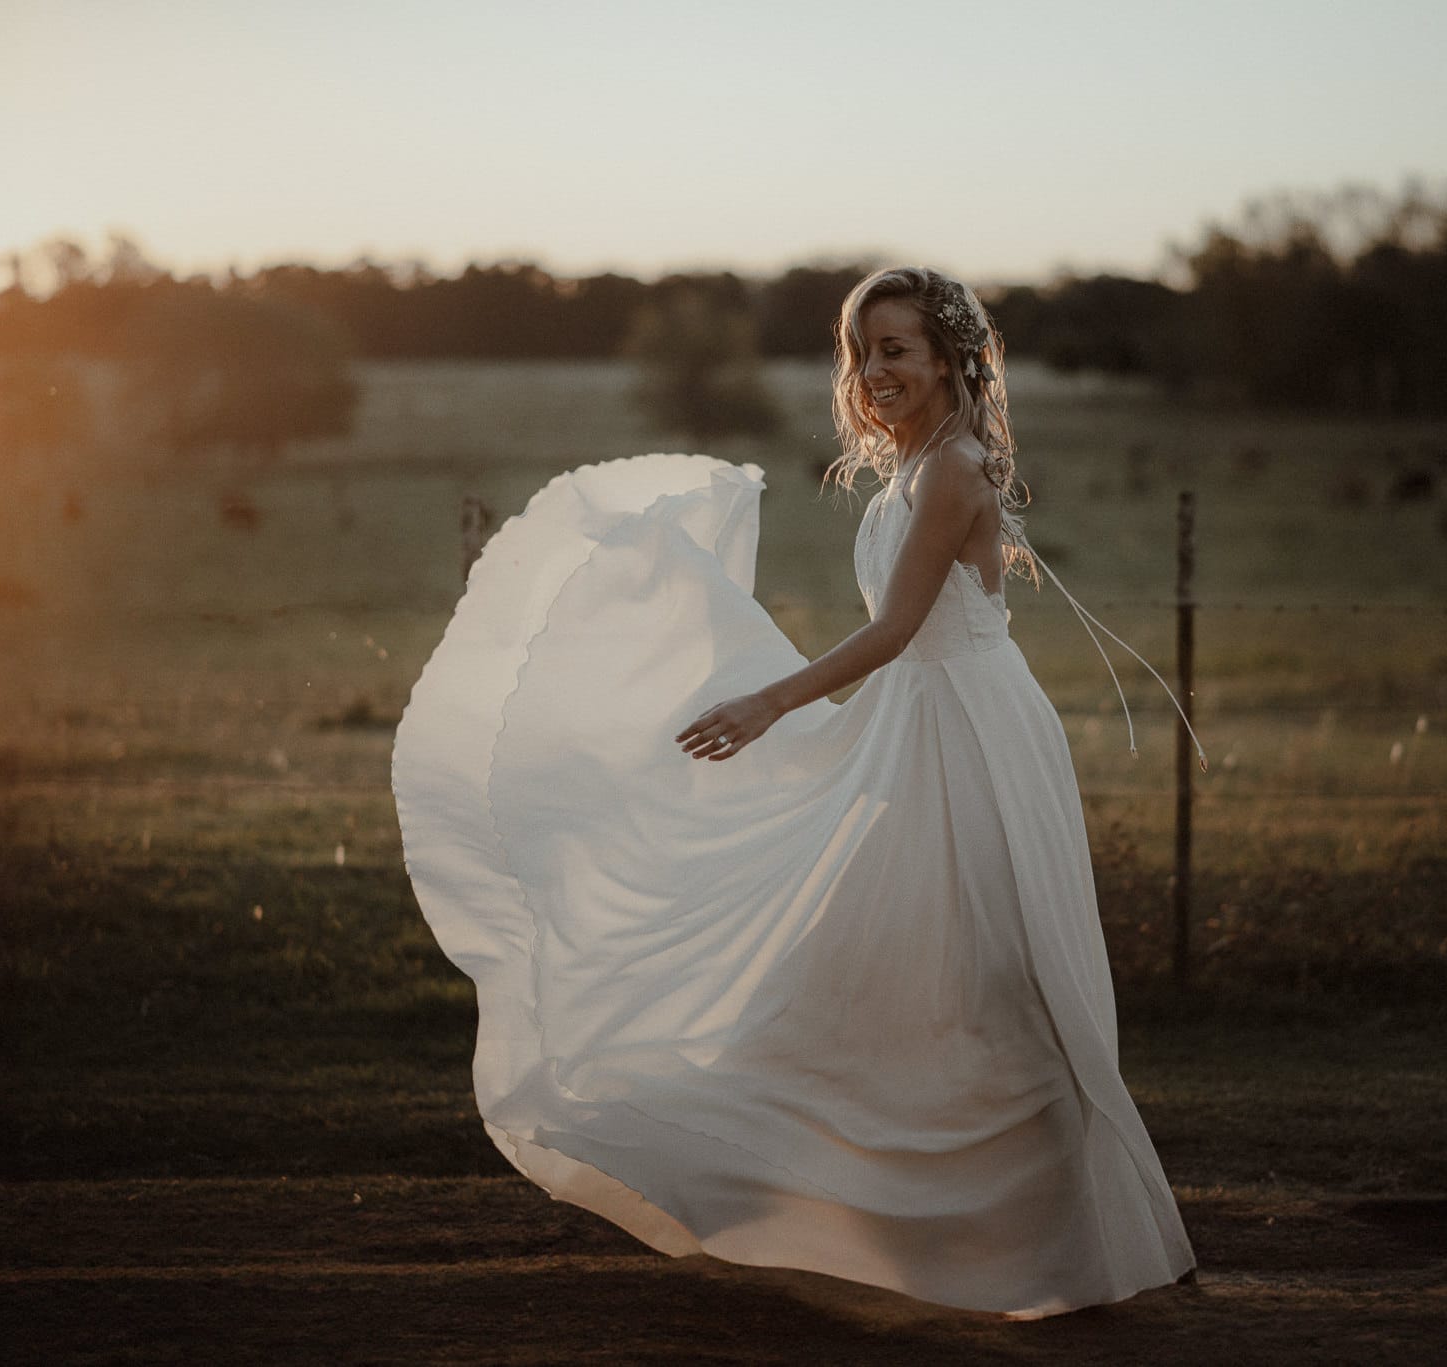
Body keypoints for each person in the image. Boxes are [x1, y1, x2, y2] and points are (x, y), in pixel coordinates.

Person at [391, 265, 1198, 1320]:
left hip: (968, 727)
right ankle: (860, 1198)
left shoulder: (953, 469)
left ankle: (1064, 1236)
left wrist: (769, 703)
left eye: (895, 349)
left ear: (950, 357)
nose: (873, 371)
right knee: (879, 957)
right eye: (862, 352)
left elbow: (898, 631)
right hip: (918, 719)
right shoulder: (910, 469)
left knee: (998, 971)